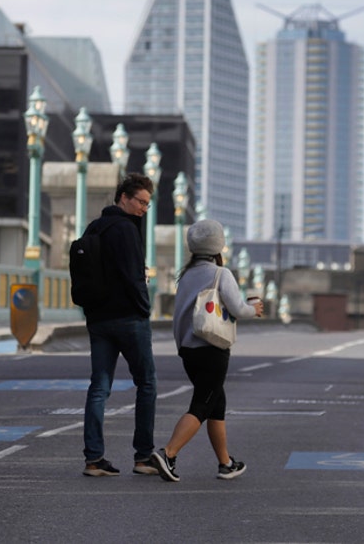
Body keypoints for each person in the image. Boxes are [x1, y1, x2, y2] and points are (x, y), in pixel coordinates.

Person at [150, 219, 262, 482]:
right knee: (202, 405)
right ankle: (168, 453)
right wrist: (254, 309)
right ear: (219, 247)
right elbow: (238, 309)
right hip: (212, 349)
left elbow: (179, 316)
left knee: (216, 404)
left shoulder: (186, 275)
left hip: (188, 350)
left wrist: (182, 346)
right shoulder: (221, 274)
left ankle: (225, 463)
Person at [80, 172, 159, 477]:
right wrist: (144, 308)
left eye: (147, 204)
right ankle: (142, 457)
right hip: (128, 319)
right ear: (123, 198)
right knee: (147, 384)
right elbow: (132, 276)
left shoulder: (94, 227)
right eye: (140, 201)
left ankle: (94, 459)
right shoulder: (126, 229)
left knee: (99, 387)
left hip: (98, 319)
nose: (143, 208)